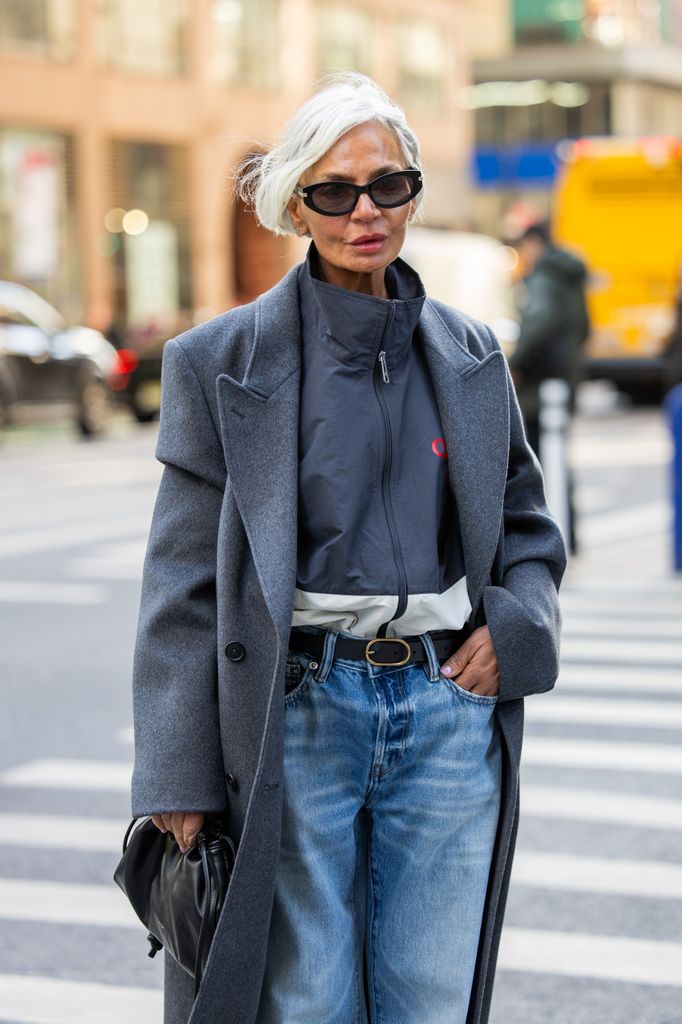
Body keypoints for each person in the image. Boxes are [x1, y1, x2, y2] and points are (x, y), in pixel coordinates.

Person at [131, 73, 566, 1024]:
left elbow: (529, 535)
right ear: (297, 205)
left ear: (413, 192)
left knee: (428, 996)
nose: (365, 212)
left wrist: (519, 628)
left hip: (447, 711)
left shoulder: (471, 355)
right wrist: (177, 773)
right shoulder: (219, 362)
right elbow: (182, 584)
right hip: (297, 716)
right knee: (305, 1000)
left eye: (388, 186)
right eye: (334, 192)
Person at [509, 222, 590, 553]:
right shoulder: (570, 277)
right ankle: (568, 532)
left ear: (532, 242)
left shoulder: (544, 277)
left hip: (540, 384)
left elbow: (539, 323)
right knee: (555, 455)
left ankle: (546, 533)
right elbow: (585, 328)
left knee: (535, 459)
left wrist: (517, 363)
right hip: (564, 376)